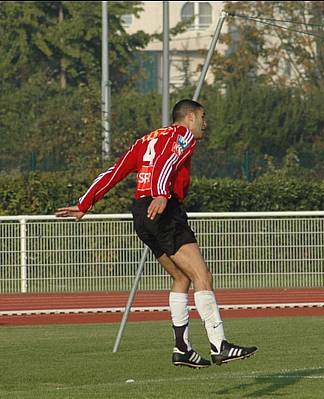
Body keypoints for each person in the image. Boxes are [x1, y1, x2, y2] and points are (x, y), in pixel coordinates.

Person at [55, 99, 257, 368]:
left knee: (181, 278)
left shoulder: (145, 140)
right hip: (163, 210)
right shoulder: (182, 134)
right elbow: (166, 162)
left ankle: (183, 348)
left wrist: (85, 203)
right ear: (189, 117)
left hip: (141, 213)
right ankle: (219, 345)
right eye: (203, 117)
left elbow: (115, 171)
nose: (205, 124)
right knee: (202, 276)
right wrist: (162, 194)